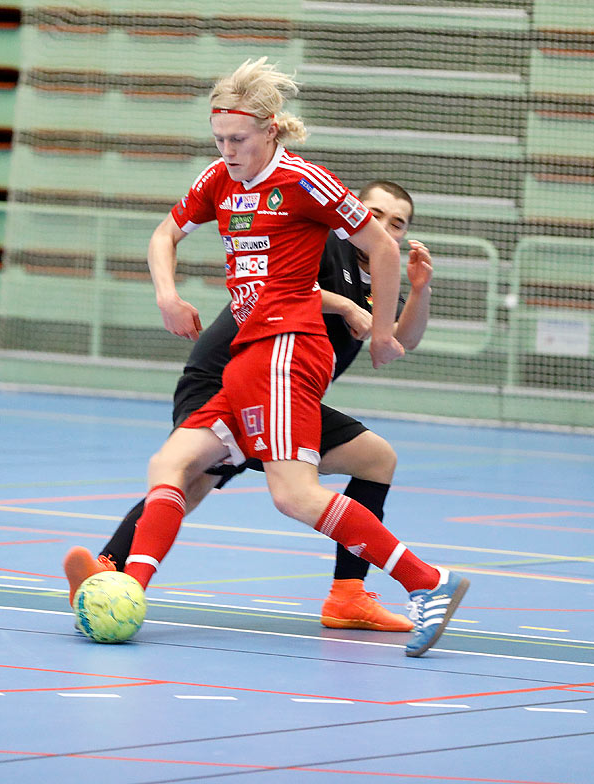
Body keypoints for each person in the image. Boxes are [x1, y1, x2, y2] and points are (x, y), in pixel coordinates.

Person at [63, 58, 467, 658]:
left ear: (271, 131)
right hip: (245, 356)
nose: (227, 150)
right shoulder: (219, 180)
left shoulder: (304, 180)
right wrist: (168, 296)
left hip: (286, 351)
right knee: (171, 464)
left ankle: (427, 584)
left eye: (238, 140)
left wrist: (381, 331)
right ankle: (125, 585)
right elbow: (163, 234)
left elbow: (381, 248)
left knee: (294, 495)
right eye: (220, 139)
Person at [67, 181, 433, 632]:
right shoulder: (324, 239)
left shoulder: (381, 268)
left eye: (396, 223)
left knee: (376, 460)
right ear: (356, 208)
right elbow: (277, 290)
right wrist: (344, 307)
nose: (383, 227)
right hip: (226, 375)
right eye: (374, 213)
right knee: (190, 478)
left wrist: (420, 290)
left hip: (286, 396)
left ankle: (349, 596)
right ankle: (109, 571)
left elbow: (402, 338)